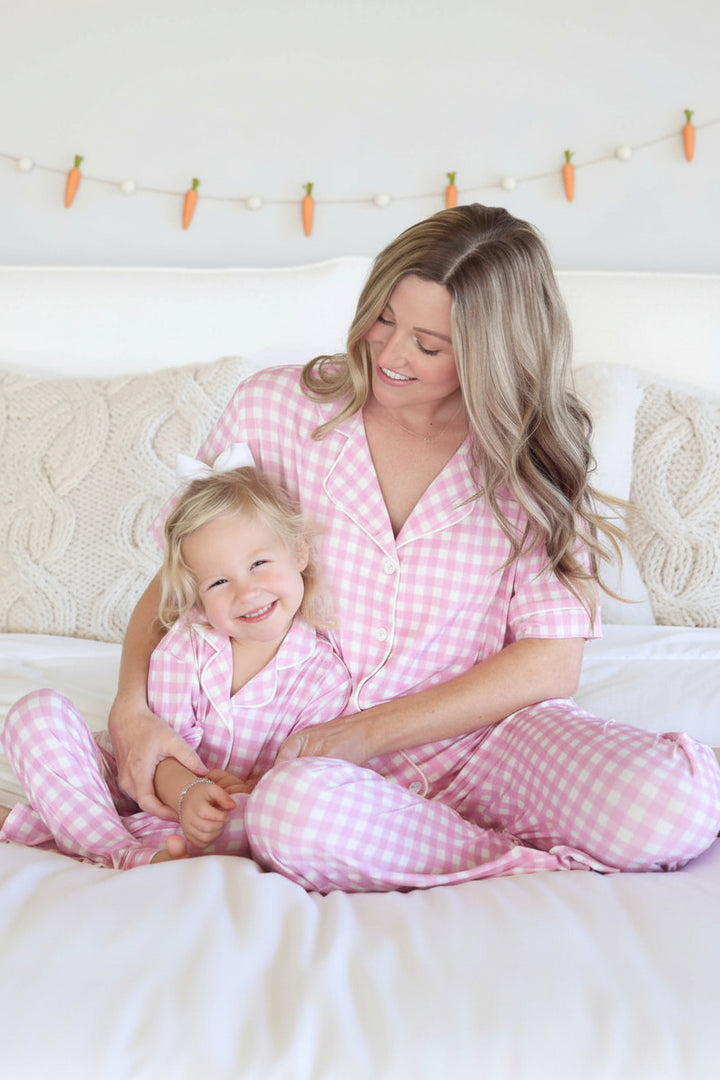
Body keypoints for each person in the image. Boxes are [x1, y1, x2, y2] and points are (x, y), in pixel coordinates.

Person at [107, 203, 720, 891]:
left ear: (494, 353)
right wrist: (129, 711)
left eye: (430, 345)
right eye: (384, 319)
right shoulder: (273, 409)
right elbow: (184, 577)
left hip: (487, 741)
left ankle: (426, 841)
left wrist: (370, 731)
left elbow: (550, 662)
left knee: (674, 805)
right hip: (313, 766)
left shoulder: (532, 454)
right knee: (295, 812)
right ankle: (510, 861)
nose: (391, 355)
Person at [0, 452, 351, 868]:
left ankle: (64, 832)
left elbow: (293, 778)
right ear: (197, 594)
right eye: (219, 581)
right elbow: (153, 751)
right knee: (34, 713)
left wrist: (223, 797)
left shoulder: (325, 679)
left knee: (249, 823)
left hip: (222, 809)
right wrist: (186, 792)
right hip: (136, 778)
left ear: (300, 554)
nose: (246, 591)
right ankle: (122, 852)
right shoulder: (185, 645)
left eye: (259, 564)